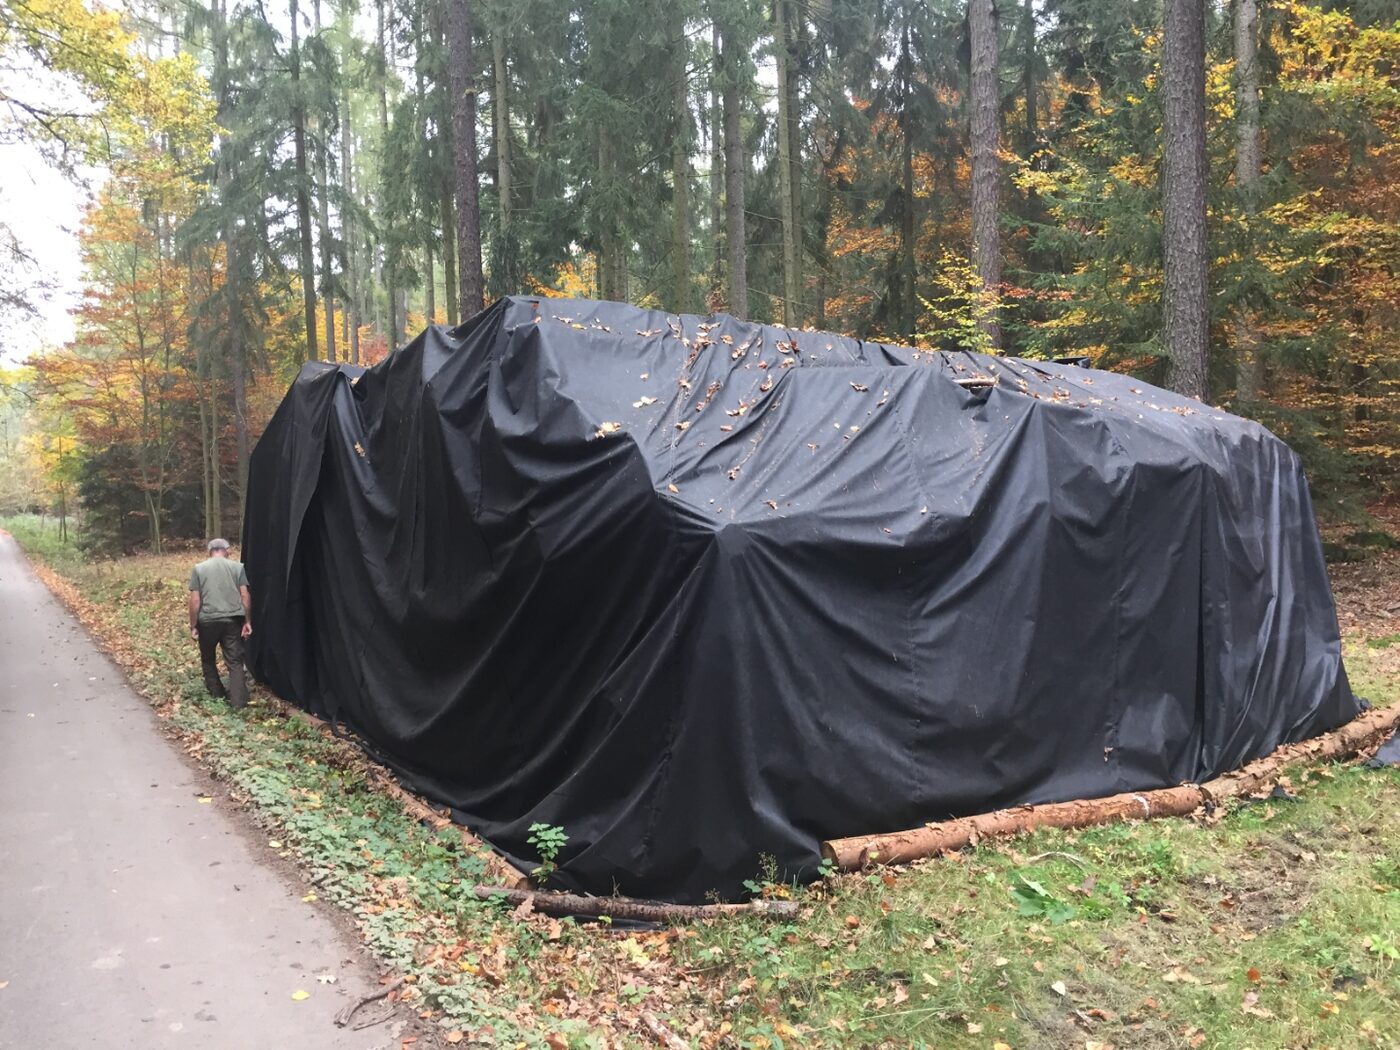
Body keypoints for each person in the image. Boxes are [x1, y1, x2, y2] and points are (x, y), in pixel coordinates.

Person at [188, 538, 253, 707]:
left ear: (209, 551)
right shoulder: (238, 568)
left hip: (207, 621)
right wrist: (247, 621)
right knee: (235, 662)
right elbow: (245, 595)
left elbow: (195, 600)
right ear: (227, 550)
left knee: (208, 659)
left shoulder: (199, 569)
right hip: (232, 621)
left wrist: (193, 625)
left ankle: (217, 696)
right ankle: (238, 704)